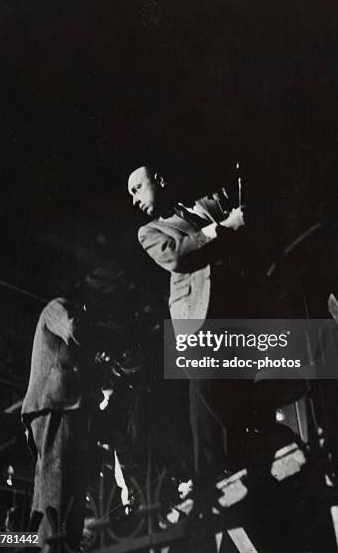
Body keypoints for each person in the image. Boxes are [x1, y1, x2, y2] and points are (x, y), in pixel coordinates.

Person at [127, 165, 250, 481]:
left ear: (160, 180)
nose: (133, 199)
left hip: (231, 312)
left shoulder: (201, 205)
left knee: (233, 390)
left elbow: (236, 199)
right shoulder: (150, 231)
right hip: (195, 319)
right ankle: (213, 481)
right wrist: (222, 227)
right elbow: (176, 256)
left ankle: (239, 468)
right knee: (206, 400)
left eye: (137, 188)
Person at [21, 297, 117, 551]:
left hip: (63, 406)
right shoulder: (58, 305)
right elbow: (74, 328)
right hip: (56, 404)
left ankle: (53, 546)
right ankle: (55, 547)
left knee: (56, 489)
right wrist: (102, 341)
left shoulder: (75, 346)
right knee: (59, 485)